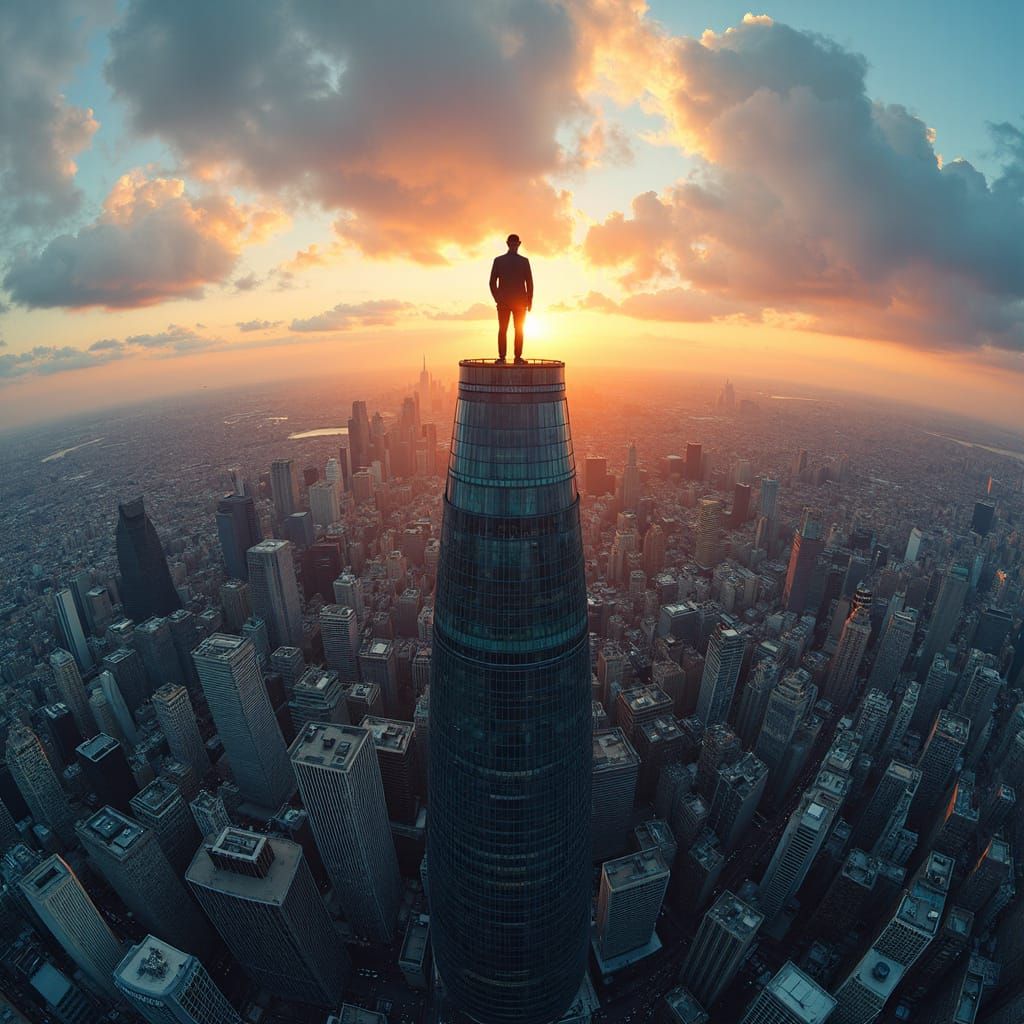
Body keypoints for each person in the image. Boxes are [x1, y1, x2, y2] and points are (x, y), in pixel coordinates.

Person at [489, 234, 533, 364]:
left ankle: (511, 357)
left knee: (513, 330)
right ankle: (507, 357)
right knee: (507, 330)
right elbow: (492, 282)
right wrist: (497, 298)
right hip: (511, 302)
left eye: (515, 244)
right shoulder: (501, 261)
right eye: (512, 244)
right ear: (508, 244)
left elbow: (529, 282)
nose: (514, 246)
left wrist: (529, 300)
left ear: (518, 244)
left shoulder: (520, 261)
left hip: (515, 302)